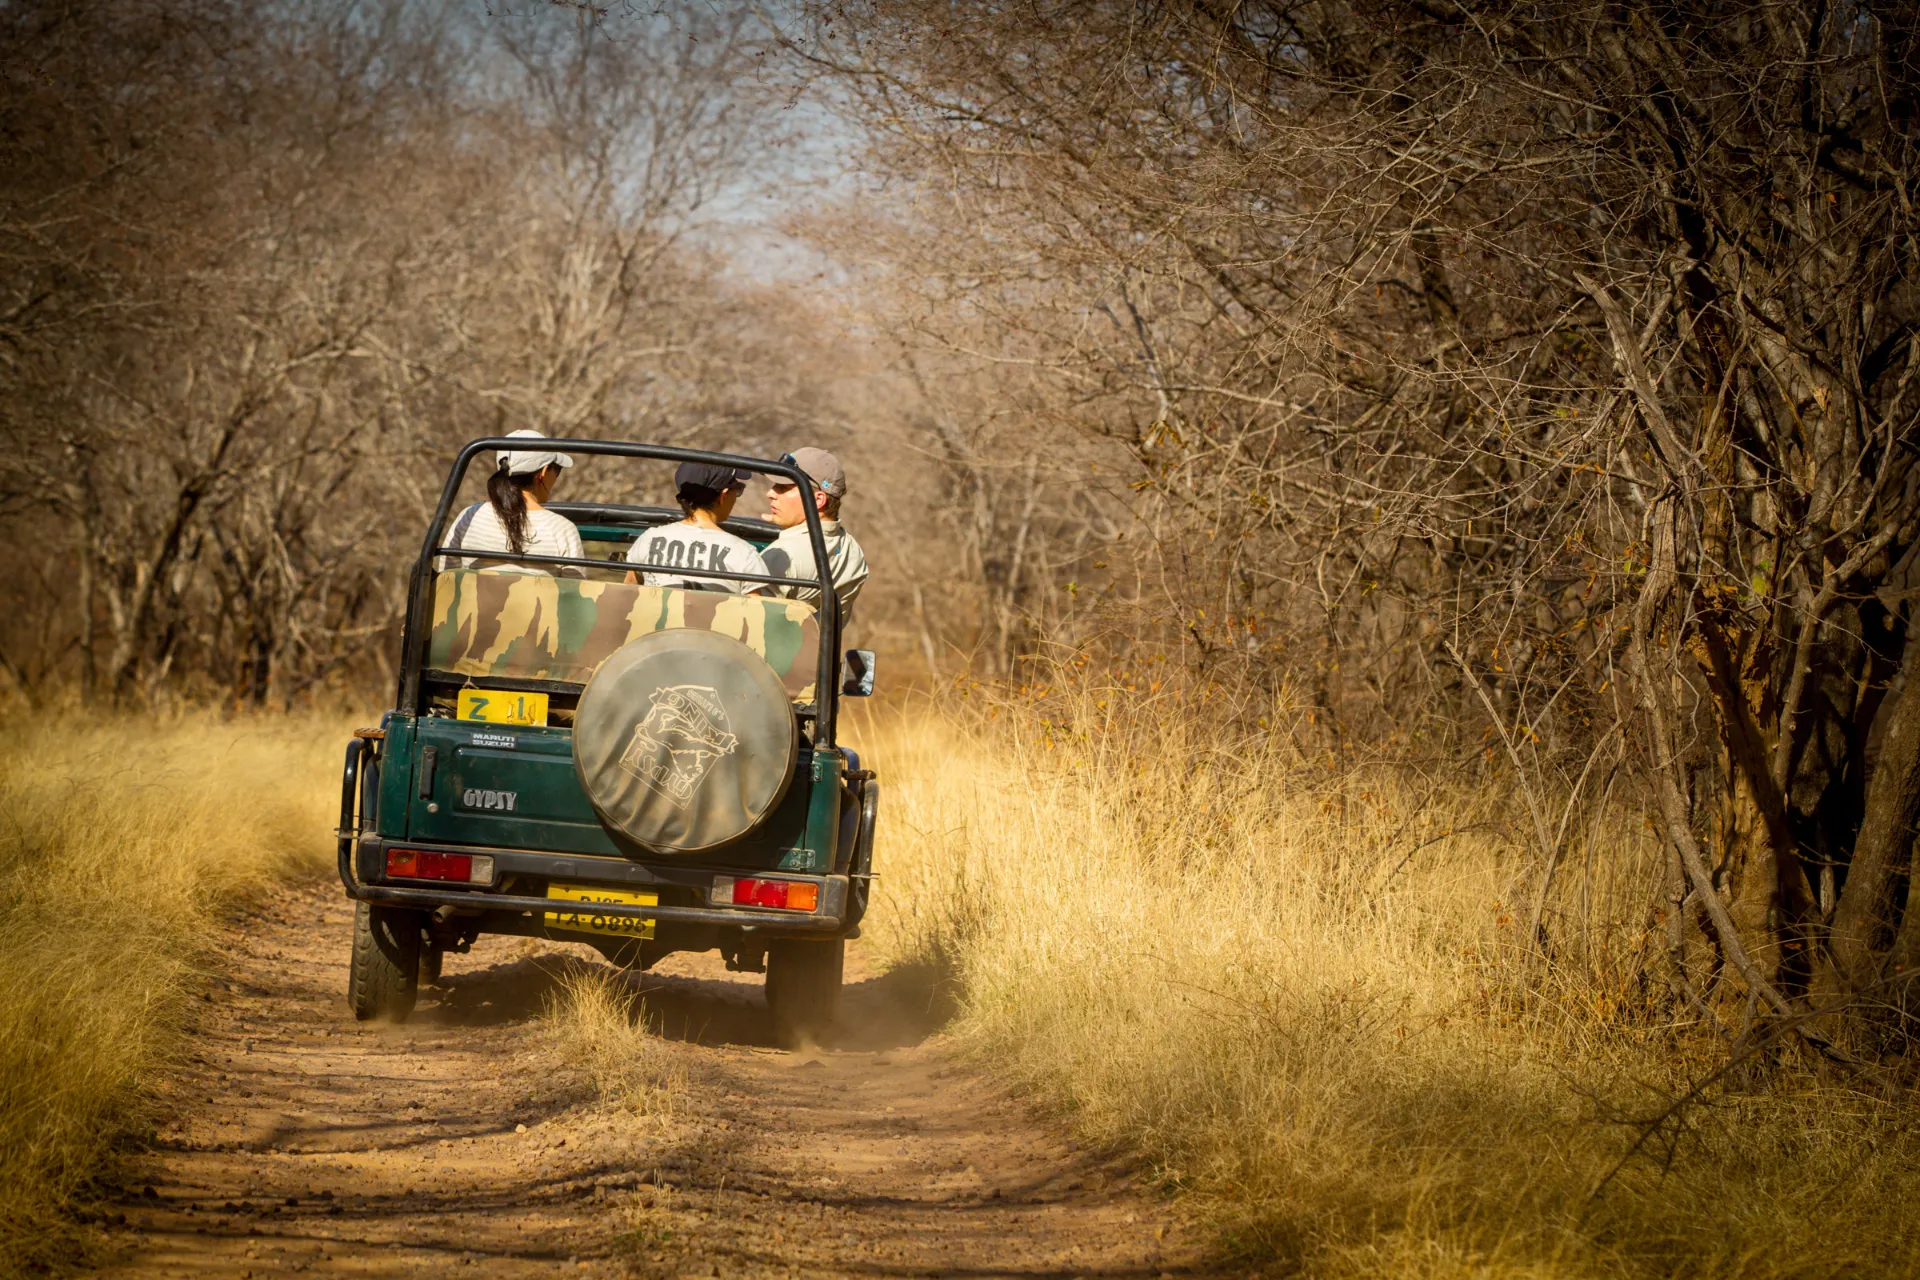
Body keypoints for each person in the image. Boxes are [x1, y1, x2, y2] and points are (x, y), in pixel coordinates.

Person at [444, 429, 585, 575]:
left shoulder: (469, 517)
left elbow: (446, 578)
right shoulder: (562, 530)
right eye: (557, 469)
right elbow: (574, 588)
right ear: (543, 472)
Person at [761, 447, 869, 626]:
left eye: (783, 488)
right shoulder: (853, 552)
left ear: (818, 500)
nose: (770, 493)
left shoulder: (781, 556)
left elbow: (752, 630)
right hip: (815, 643)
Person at [626, 461, 771, 593]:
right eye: (738, 489)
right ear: (723, 496)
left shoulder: (649, 539)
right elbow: (757, 610)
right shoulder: (743, 552)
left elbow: (628, 593)